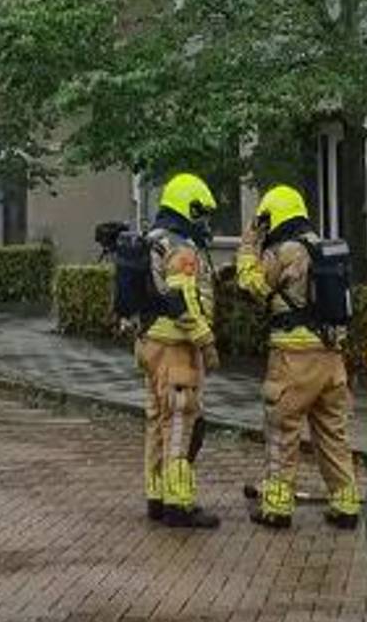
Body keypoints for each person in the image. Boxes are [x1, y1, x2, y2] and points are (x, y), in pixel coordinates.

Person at [235, 184, 360, 530]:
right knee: (333, 433)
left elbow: (251, 286)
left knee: (282, 430)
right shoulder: (325, 248)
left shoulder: (283, 251)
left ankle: (276, 506)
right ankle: (346, 503)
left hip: (293, 359)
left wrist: (248, 245)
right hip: (331, 358)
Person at [138, 173, 222, 529]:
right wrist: (206, 341)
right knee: (180, 423)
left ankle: (157, 496)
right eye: (200, 213)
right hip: (176, 347)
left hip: (150, 343)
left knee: (158, 420)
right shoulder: (181, 247)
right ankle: (179, 504)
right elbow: (183, 302)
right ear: (187, 208)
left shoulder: (153, 239)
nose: (204, 223)